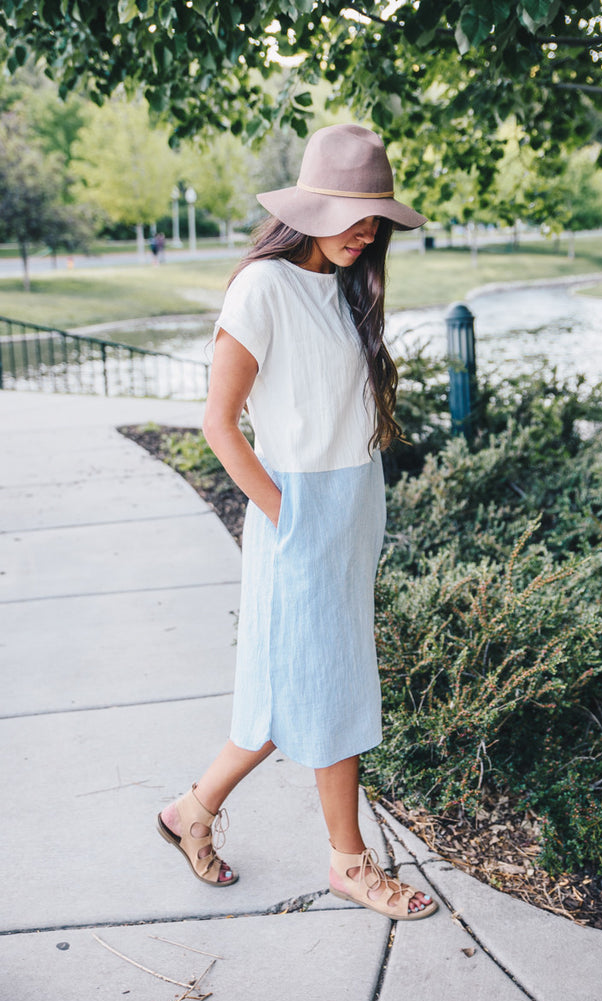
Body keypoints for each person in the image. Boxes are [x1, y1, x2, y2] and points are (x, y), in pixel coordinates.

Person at [157, 124, 437, 921]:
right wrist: (291, 520)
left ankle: (190, 812)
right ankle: (350, 863)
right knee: (328, 693)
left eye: (376, 214)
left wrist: (342, 521)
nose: (365, 228)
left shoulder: (346, 288)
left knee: (298, 693)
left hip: (350, 512)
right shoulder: (262, 287)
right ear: (310, 205)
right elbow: (219, 424)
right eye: (351, 210)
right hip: (301, 516)